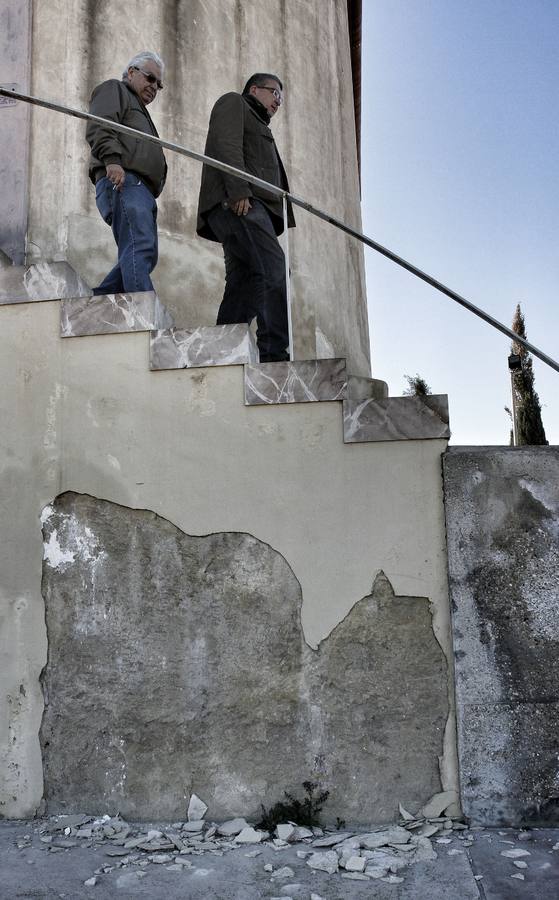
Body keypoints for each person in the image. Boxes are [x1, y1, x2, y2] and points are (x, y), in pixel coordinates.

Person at [197, 73, 295, 362]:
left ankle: (222, 345)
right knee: (274, 267)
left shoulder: (258, 121)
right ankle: (274, 354)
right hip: (239, 203)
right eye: (274, 93)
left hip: (247, 206)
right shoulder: (234, 103)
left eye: (281, 97)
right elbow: (225, 143)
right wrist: (238, 189)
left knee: (245, 279)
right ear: (255, 89)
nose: (278, 101)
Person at [86, 51, 167, 296]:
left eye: (159, 84)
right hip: (125, 181)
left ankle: (100, 299)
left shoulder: (139, 109)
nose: (155, 86)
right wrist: (112, 161)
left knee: (145, 253)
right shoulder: (115, 90)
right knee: (140, 245)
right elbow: (101, 123)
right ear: (131, 72)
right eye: (151, 78)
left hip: (141, 189)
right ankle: (143, 308)